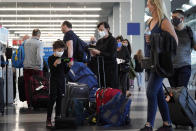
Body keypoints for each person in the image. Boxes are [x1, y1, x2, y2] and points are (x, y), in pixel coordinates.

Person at [140, 0, 178, 131]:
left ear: (155, 5)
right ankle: (167, 124)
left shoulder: (164, 21)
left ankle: (148, 125)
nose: (147, 6)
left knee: (151, 92)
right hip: (150, 62)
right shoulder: (150, 21)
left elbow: (174, 42)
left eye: (149, 4)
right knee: (158, 94)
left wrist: (155, 38)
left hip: (160, 63)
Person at [168, 10, 196, 89]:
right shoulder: (170, 32)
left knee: (181, 92)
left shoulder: (190, 32)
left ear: (182, 19)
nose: (173, 19)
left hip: (184, 66)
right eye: (172, 17)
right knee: (173, 92)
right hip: (171, 67)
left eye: (175, 17)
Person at [88, 22, 118, 89]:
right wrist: (93, 54)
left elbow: (112, 55)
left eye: (102, 30)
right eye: (99, 30)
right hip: (101, 68)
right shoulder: (99, 41)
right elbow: (97, 55)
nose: (100, 32)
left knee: (110, 87)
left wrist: (99, 52)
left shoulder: (112, 40)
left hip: (110, 69)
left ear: (107, 29)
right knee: (101, 86)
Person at [46, 40, 69, 128]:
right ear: (54, 50)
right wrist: (55, 64)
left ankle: (57, 117)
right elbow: (53, 71)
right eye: (59, 50)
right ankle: (48, 118)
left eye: (62, 50)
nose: (61, 52)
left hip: (62, 81)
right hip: (54, 80)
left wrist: (69, 66)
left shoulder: (63, 58)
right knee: (52, 99)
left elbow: (65, 71)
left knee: (60, 98)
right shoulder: (50, 58)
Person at [23, 29, 44, 108]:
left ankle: (29, 103)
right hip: (36, 68)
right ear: (39, 35)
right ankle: (37, 101)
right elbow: (39, 56)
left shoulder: (25, 42)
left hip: (26, 67)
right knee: (39, 85)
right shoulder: (39, 43)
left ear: (32, 34)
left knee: (27, 85)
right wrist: (40, 66)